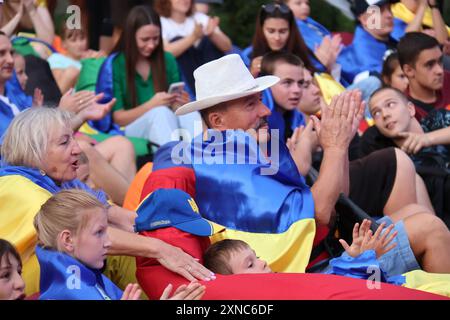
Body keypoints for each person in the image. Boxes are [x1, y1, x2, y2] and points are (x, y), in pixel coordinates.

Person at [140, 54, 450, 278]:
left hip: (326, 248)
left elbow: (337, 196)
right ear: (218, 121)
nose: (264, 110)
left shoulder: (239, 148)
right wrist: (335, 145)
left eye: (260, 99)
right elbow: (318, 213)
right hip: (312, 272)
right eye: (251, 104)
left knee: (417, 215)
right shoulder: (221, 165)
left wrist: (336, 145)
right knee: (430, 228)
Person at [0, 107, 215, 296]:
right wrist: (160, 248)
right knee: (127, 252)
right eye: (65, 142)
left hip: (70, 273)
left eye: (73, 139)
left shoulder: (61, 180)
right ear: (34, 153)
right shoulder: (22, 189)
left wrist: (174, 232)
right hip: (31, 286)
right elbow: (85, 235)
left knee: (144, 244)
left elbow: (127, 219)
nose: (77, 148)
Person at [33, 189, 206, 300]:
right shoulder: (72, 290)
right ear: (68, 240)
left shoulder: (74, 274)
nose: (109, 242)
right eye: (99, 232)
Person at [110, 5, 201, 147]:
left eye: (156, 38)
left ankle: (202, 159)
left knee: (188, 113)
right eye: (145, 39)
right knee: (160, 113)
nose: (151, 45)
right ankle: (173, 163)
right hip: (132, 127)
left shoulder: (167, 59)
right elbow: (119, 118)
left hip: (167, 121)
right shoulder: (117, 64)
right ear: (130, 37)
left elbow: (176, 106)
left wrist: (179, 103)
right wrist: (151, 105)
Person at [360, 86, 450, 227]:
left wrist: (427, 139)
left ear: (410, 109)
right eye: (376, 113)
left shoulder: (437, 120)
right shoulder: (399, 168)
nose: (384, 114)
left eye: (390, 104)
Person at [204, 220, 396, 275]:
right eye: (250, 265)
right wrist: (365, 259)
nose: (262, 262)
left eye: (256, 257)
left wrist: (355, 258)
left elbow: (331, 283)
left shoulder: (284, 284)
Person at [155, 0, 232, 95]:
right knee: (177, 40)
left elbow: (227, 47)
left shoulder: (200, 17)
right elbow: (166, 53)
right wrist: (193, 37)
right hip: (187, 79)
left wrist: (212, 34)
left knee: (207, 41)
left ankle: (221, 87)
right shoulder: (160, 22)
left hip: (210, 72)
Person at [340, 0, 398, 84]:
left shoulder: (391, 39)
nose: (389, 15)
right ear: (364, 19)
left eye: (389, 9)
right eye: (380, 11)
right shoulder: (363, 54)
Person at [397, 32, 450, 122]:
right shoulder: (405, 112)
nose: (440, 70)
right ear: (409, 70)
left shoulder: (448, 79)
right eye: (429, 65)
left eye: (440, 61)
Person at [47, 22, 105, 95]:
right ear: (63, 44)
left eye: (82, 38)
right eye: (73, 40)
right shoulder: (57, 58)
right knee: (71, 72)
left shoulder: (92, 57)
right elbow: (57, 89)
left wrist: (98, 60)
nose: (79, 44)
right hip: (67, 101)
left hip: (94, 96)